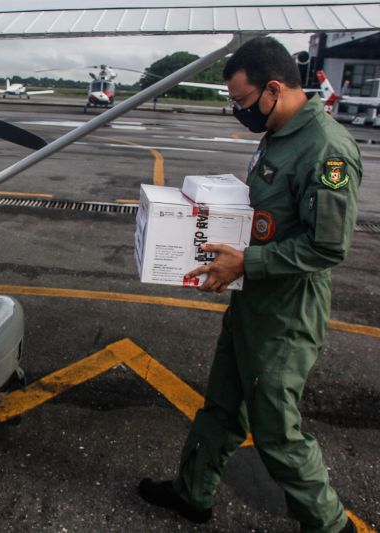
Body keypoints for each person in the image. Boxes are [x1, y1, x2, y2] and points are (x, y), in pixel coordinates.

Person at [138, 37, 361, 533]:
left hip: (286, 311)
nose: (238, 112)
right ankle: (193, 493)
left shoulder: (327, 151)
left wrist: (248, 263)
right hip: (252, 297)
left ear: (274, 89)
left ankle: (331, 526)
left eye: (241, 102)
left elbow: (327, 248)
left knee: (277, 432)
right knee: (221, 405)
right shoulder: (279, 134)